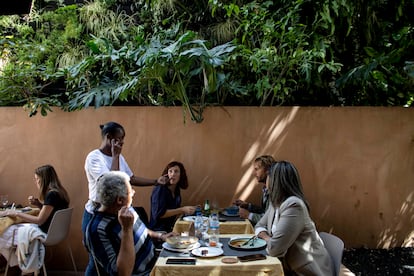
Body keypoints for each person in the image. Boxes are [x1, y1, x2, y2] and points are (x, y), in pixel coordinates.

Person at [82, 121, 165, 275]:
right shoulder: (94, 157)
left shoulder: (126, 209)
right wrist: (115, 156)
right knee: (97, 265)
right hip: (98, 212)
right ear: (109, 137)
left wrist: (155, 181)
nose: (122, 142)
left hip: (115, 208)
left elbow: (130, 178)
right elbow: (110, 183)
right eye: (120, 138)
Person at [84, 171, 176, 276]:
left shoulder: (125, 208)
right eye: (130, 190)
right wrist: (126, 230)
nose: (133, 192)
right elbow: (122, 273)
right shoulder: (96, 229)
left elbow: (141, 230)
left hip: (155, 263)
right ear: (119, 200)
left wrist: (161, 236)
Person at [255, 161, 334, 275]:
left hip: (306, 271)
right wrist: (270, 239)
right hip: (288, 267)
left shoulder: (293, 205)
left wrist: (266, 238)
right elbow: (259, 225)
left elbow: (274, 249)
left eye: (268, 177)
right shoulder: (275, 202)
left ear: (274, 181)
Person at [0, 165, 70, 267]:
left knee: (2, 233)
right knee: (6, 232)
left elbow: (39, 220)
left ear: (44, 180)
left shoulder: (52, 195)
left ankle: (20, 265)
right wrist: (38, 204)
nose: (36, 182)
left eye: (37, 179)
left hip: (45, 232)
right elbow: (51, 213)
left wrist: (16, 213)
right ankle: (21, 264)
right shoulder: (59, 192)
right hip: (55, 232)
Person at [149, 161, 196, 232]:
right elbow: (159, 214)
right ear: (166, 174)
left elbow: (174, 210)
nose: (173, 174)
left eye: (176, 171)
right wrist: (182, 209)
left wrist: (189, 210)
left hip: (171, 228)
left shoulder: (177, 190)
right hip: (158, 230)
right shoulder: (160, 189)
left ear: (181, 175)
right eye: (170, 171)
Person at [234, 155, 275, 225]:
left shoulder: (274, 191)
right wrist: (248, 205)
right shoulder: (266, 189)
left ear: (267, 170)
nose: (254, 173)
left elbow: (270, 220)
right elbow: (265, 211)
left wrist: (249, 215)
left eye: (257, 169)